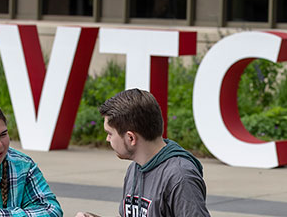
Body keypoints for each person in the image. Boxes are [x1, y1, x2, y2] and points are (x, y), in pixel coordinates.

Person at [76, 88, 209, 217]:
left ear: (131, 138)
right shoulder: (135, 168)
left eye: (110, 133)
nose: (107, 139)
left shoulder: (180, 177)